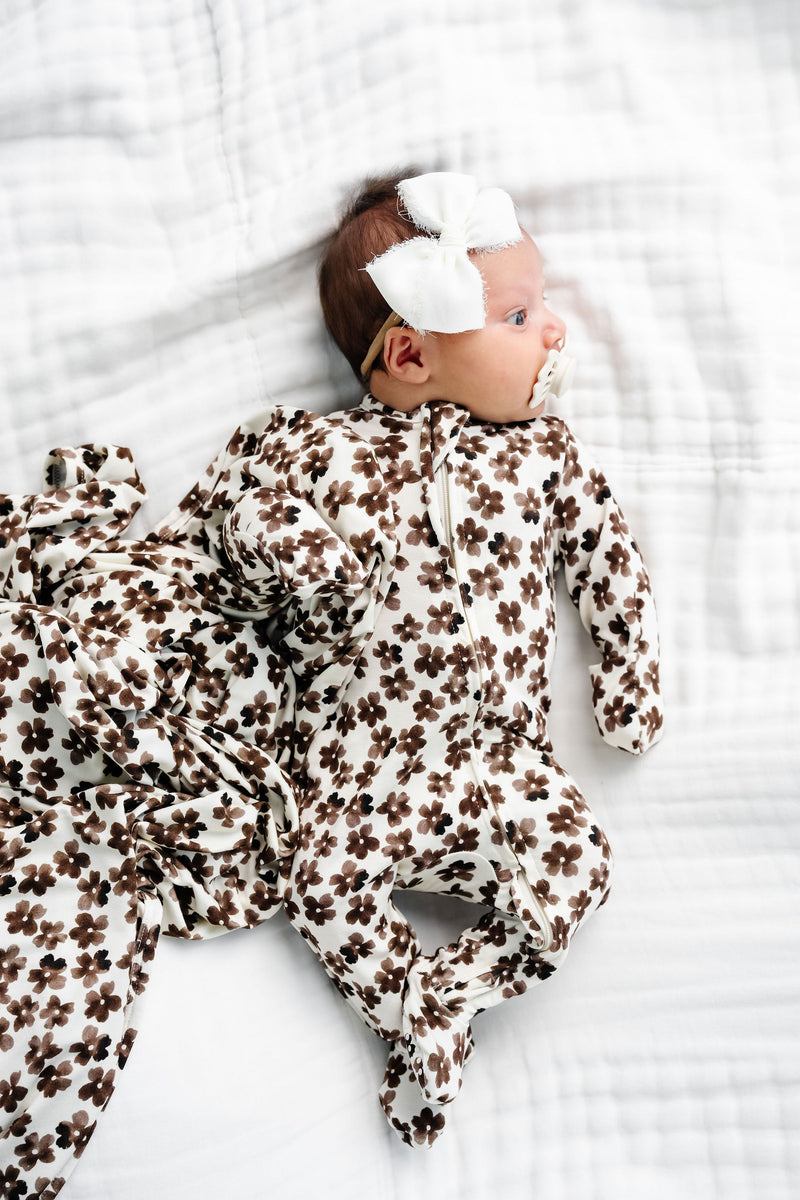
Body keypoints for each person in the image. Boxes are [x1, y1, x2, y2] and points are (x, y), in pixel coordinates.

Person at [276, 170, 664, 1144]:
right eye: (519, 313)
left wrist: (624, 679)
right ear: (407, 353)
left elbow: (603, 559)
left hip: (492, 764)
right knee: (316, 878)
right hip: (352, 770)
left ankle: (444, 997)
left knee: (574, 869)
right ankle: (415, 1017)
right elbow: (251, 540)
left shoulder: (544, 457)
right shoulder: (321, 454)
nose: (553, 331)